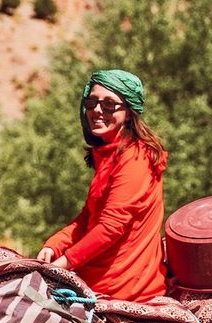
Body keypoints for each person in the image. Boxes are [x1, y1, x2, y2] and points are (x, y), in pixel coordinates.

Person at [37, 69, 168, 303]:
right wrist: (54, 245)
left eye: (109, 105)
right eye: (92, 102)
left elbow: (111, 227)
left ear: (128, 113)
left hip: (124, 287)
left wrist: (63, 264)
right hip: (100, 278)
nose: (97, 110)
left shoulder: (135, 158)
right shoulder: (110, 155)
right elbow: (89, 217)